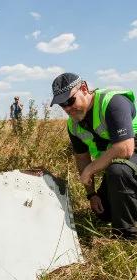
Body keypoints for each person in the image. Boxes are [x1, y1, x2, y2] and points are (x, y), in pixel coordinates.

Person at [50, 72, 137, 240]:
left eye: (69, 101)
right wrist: (92, 194)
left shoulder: (112, 102)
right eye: (62, 105)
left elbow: (125, 148)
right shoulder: (73, 125)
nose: (67, 108)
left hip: (130, 155)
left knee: (118, 171)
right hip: (124, 164)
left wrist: (90, 169)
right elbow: (82, 158)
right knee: (104, 212)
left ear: (84, 89)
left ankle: (126, 235)